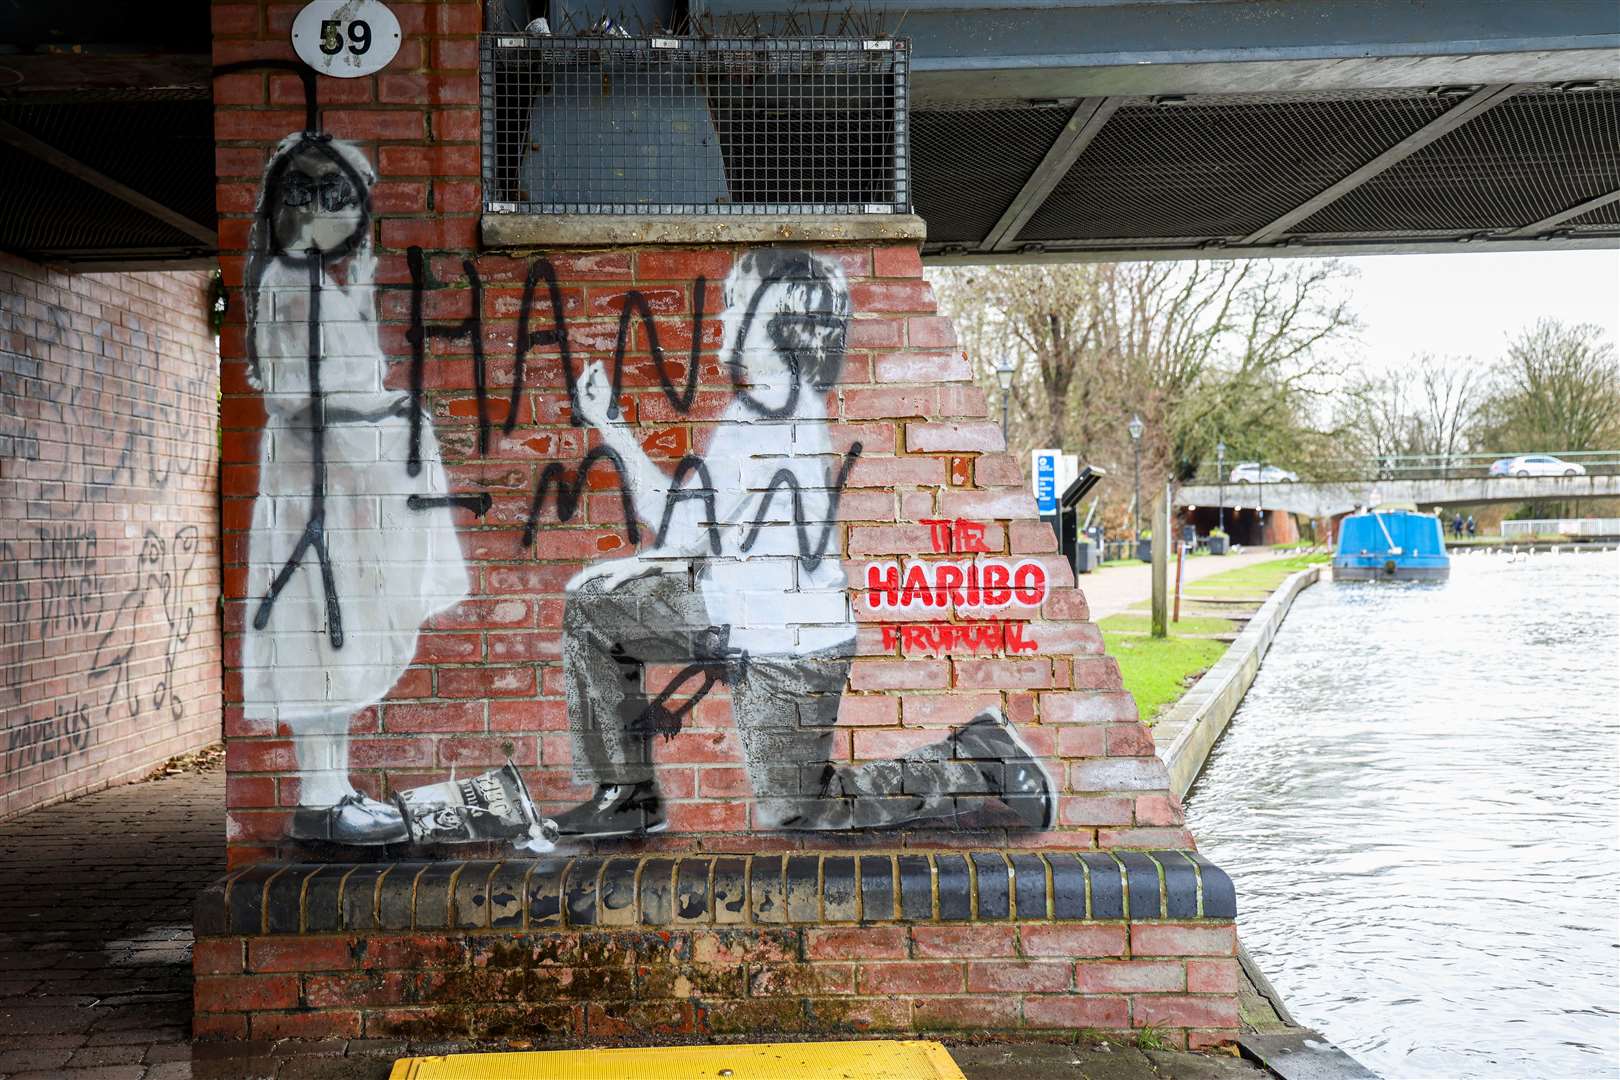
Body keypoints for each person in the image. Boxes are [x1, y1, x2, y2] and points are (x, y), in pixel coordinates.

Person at [551, 250, 1054, 838]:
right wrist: (646, 562)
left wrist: (609, 427)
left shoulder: (773, 417)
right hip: (735, 614)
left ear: (781, 326)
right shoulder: (757, 410)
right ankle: (626, 794)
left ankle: (977, 756)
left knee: (799, 809)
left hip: (786, 644)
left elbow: (681, 523)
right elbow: (701, 529)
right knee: (594, 612)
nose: (722, 318)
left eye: (737, 306)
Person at [240, 133, 468, 844]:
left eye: (344, 199)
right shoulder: (289, 284)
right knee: (320, 639)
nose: (334, 215)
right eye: (309, 195)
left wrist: (363, 296)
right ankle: (320, 797)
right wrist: (391, 420)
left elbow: (347, 373)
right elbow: (302, 396)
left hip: (328, 490)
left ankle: (329, 790)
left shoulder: (309, 283)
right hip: (318, 490)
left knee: (333, 642)